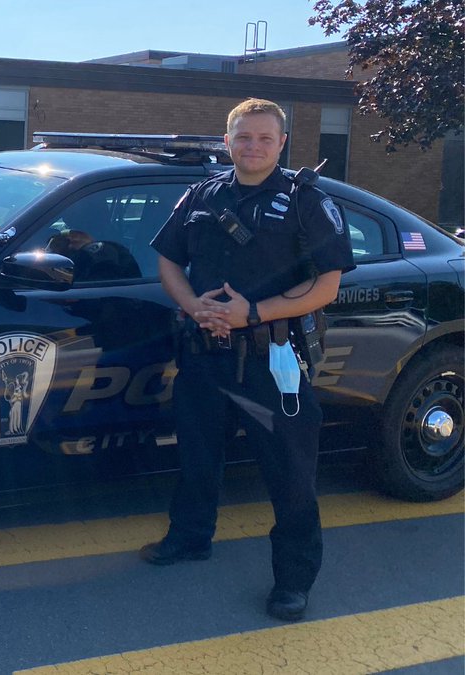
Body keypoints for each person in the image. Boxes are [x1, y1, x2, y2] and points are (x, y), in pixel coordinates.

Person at [143, 98, 355, 621]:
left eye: (265, 138)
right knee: (197, 457)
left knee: (290, 475)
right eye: (243, 137)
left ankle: (293, 581)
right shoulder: (200, 195)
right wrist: (192, 306)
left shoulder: (308, 202)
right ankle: (190, 538)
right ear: (227, 140)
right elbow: (168, 258)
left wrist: (252, 313)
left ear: (282, 143)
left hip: (272, 361)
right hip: (204, 356)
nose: (253, 146)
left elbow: (326, 285)